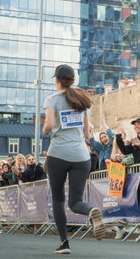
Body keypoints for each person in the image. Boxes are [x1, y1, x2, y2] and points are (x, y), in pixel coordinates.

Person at [42, 64, 106, 254]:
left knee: (58, 200)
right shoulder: (81, 100)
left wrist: (46, 130)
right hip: (81, 156)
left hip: (58, 154)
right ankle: (90, 211)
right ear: (72, 80)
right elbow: (87, 133)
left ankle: (64, 243)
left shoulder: (52, 100)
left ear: (57, 80)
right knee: (75, 201)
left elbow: (49, 125)